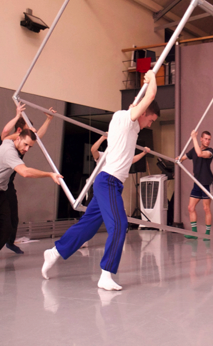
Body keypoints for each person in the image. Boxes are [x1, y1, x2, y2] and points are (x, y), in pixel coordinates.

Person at [41, 71, 159, 291]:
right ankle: (106, 274)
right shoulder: (124, 119)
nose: (150, 124)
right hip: (108, 182)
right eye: (150, 119)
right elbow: (149, 98)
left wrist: (143, 88)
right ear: (143, 113)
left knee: (88, 226)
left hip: (111, 183)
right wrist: (151, 76)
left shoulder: (132, 126)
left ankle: (55, 252)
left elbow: (140, 103)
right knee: (120, 224)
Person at [0, 129, 62, 275]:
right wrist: (49, 174)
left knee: (6, 229)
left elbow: (12, 135)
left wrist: (46, 122)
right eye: (25, 144)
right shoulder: (9, 151)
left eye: (30, 147)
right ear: (19, 139)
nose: (26, 149)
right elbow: (25, 172)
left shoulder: (9, 141)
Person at [0, 102, 57, 254]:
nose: (27, 146)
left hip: (7, 184)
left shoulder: (23, 144)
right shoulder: (7, 142)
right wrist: (18, 115)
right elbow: (5, 132)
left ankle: (10, 242)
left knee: (13, 217)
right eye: (26, 132)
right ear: (19, 131)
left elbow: (37, 137)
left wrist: (48, 120)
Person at [176, 130, 213, 240]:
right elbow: (184, 157)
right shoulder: (194, 149)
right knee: (190, 207)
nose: (207, 141)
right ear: (201, 139)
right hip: (197, 182)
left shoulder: (210, 151)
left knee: (206, 208)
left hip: (207, 183)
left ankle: (207, 234)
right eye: (206, 139)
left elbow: (200, 154)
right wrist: (178, 160)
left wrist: (193, 137)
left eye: (209, 139)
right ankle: (194, 233)